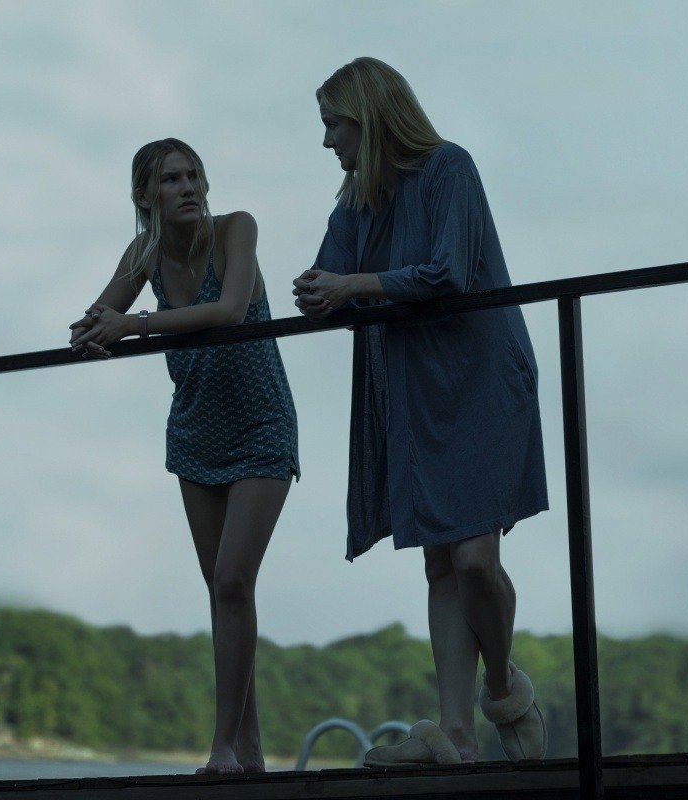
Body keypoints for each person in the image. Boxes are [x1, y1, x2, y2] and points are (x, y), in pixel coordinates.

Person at [293, 57, 549, 765]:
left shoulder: (448, 169)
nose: (327, 141)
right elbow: (328, 283)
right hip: (416, 388)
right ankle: (456, 732)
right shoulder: (355, 203)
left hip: (482, 379)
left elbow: (448, 272)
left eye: (333, 124)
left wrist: (351, 286)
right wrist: (317, 292)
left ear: (369, 118)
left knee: (474, 561)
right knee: (440, 562)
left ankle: (505, 691)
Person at [69, 138, 299, 774]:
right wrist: (92, 329)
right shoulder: (143, 254)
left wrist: (135, 325)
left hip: (261, 425)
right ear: (145, 196)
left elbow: (230, 310)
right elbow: (101, 316)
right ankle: (248, 752)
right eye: (171, 179)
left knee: (233, 581)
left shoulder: (235, 229)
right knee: (222, 594)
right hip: (197, 433)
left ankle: (222, 748)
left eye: (194, 175)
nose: (189, 187)